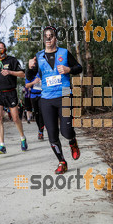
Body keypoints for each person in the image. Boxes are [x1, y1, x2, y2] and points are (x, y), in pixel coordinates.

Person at [27, 26, 82, 174]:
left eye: (51, 36)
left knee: (66, 131)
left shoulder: (64, 52)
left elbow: (79, 67)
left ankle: (72, 141)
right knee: (52, 133)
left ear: (55, 38)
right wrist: (29, 67)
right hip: (46, 97)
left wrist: (69, 70)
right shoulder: (38, 56)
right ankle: (62, 162)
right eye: (46, 36)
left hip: (64, 93)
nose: (48, 38)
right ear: (43, 39)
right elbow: (30, 75)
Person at [0, 41, 27, 154]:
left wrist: (10, 72)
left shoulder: (12, 60)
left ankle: (22, 137)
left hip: (10, 92)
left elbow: (22, 74)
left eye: (1, 48)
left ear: (5, 49)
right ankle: (2, 145)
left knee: (15, 118)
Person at [25, 73, 44, 140]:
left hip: (42, 95)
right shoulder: (29, 73)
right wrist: (34, 82)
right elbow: (27, 85)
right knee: (37, 114)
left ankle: (41, 131)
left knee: (41, 113)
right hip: (33, 96)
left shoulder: (41, 71)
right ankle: (40, 129)